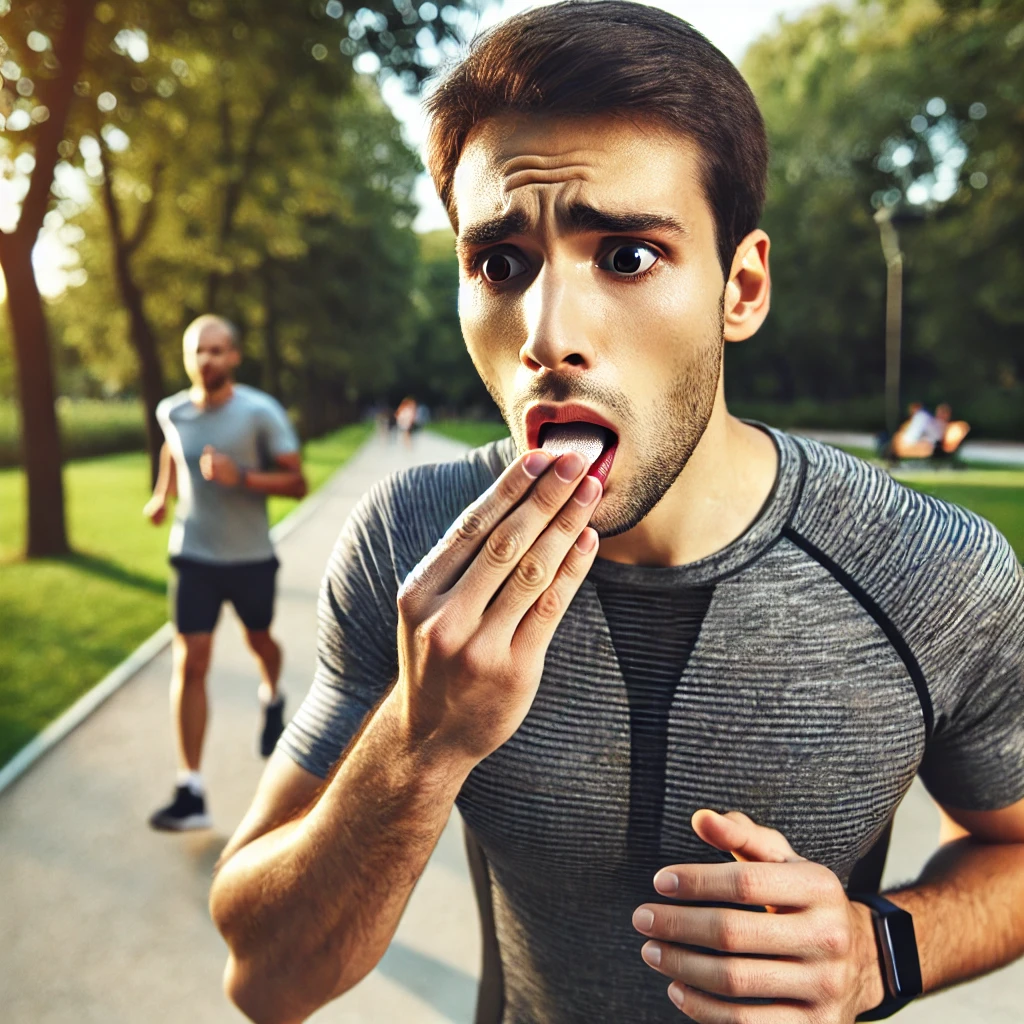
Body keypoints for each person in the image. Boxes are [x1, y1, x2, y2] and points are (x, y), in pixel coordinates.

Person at [209, 5, 1024, 1023]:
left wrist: (879, 953)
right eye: (500, 264)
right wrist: (421, 742)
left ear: (742, 286)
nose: (548, 335)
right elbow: (264, 976)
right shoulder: (410, 545)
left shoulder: (933, 573)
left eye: (627, 254)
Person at [143, 314, 307, 832]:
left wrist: (242, 477)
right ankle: (190, 790)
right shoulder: (172, 411)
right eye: (198, 351)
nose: (206, 360)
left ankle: (272, 692)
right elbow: (174, 447)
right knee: (190, 660)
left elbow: (298, 482)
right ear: (187, 357)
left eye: (217, 350)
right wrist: (162, 494)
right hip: (193, 555)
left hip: (249, 557)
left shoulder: (260, 413)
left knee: (260, 640)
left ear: (234, 356)